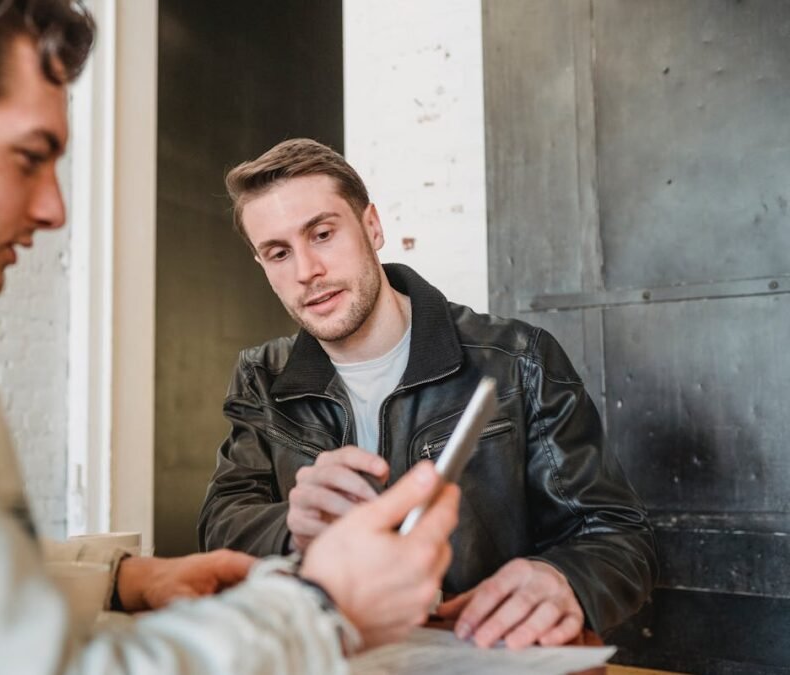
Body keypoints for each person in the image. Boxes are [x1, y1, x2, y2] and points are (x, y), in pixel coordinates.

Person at [0, 2, 461, 673]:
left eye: (323, 234)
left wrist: (117, 578)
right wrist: (320, 613)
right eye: (30, 157)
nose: (55, 208)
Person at [198, 138, 658, 649]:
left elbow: (617, 535)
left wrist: (564, 579)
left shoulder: (519, 358)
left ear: (372, 226)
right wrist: (293, 527)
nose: (306, 271)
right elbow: (221, 525)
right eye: (278, 253)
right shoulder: (262, 376)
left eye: (323, 234)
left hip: (477, 652)